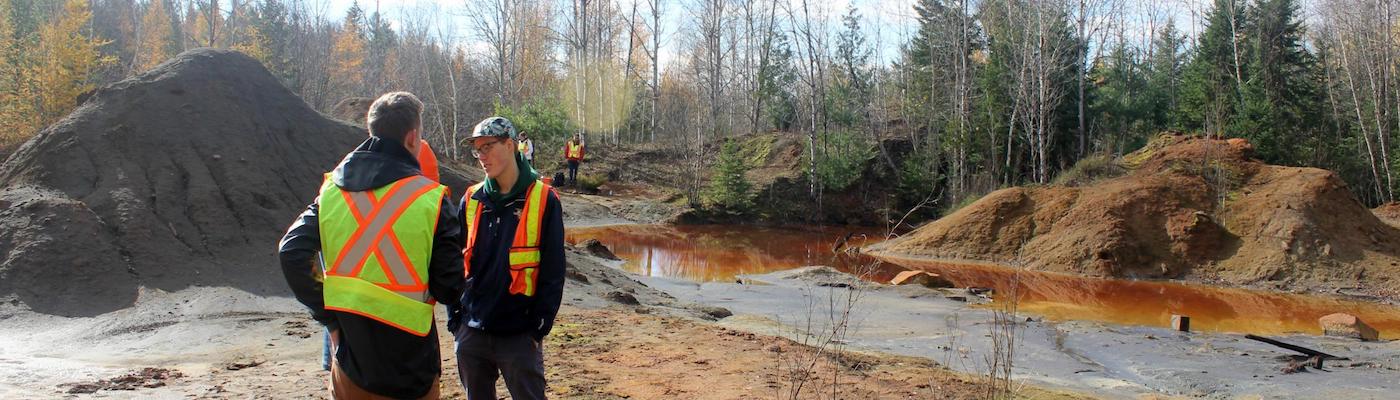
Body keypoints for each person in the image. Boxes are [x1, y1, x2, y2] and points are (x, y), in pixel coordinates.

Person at [280, 92, 464, 399]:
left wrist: (328, 317)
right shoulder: (432, 200)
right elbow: (449, 288)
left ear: (372, 131)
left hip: (352, 367)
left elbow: (291, 253)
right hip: (412, 370)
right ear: (412, 137)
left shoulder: (331, 193)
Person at [451, 116, 565, 400]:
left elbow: (553, 269)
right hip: (472, 331)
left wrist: (539, 327)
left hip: (519, 335)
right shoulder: (471, 198)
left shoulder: (543, 199)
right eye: (477, 150)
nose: (481, 156)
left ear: (511, 145)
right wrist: (456, 319)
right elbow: (456, 261)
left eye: (488, 146)